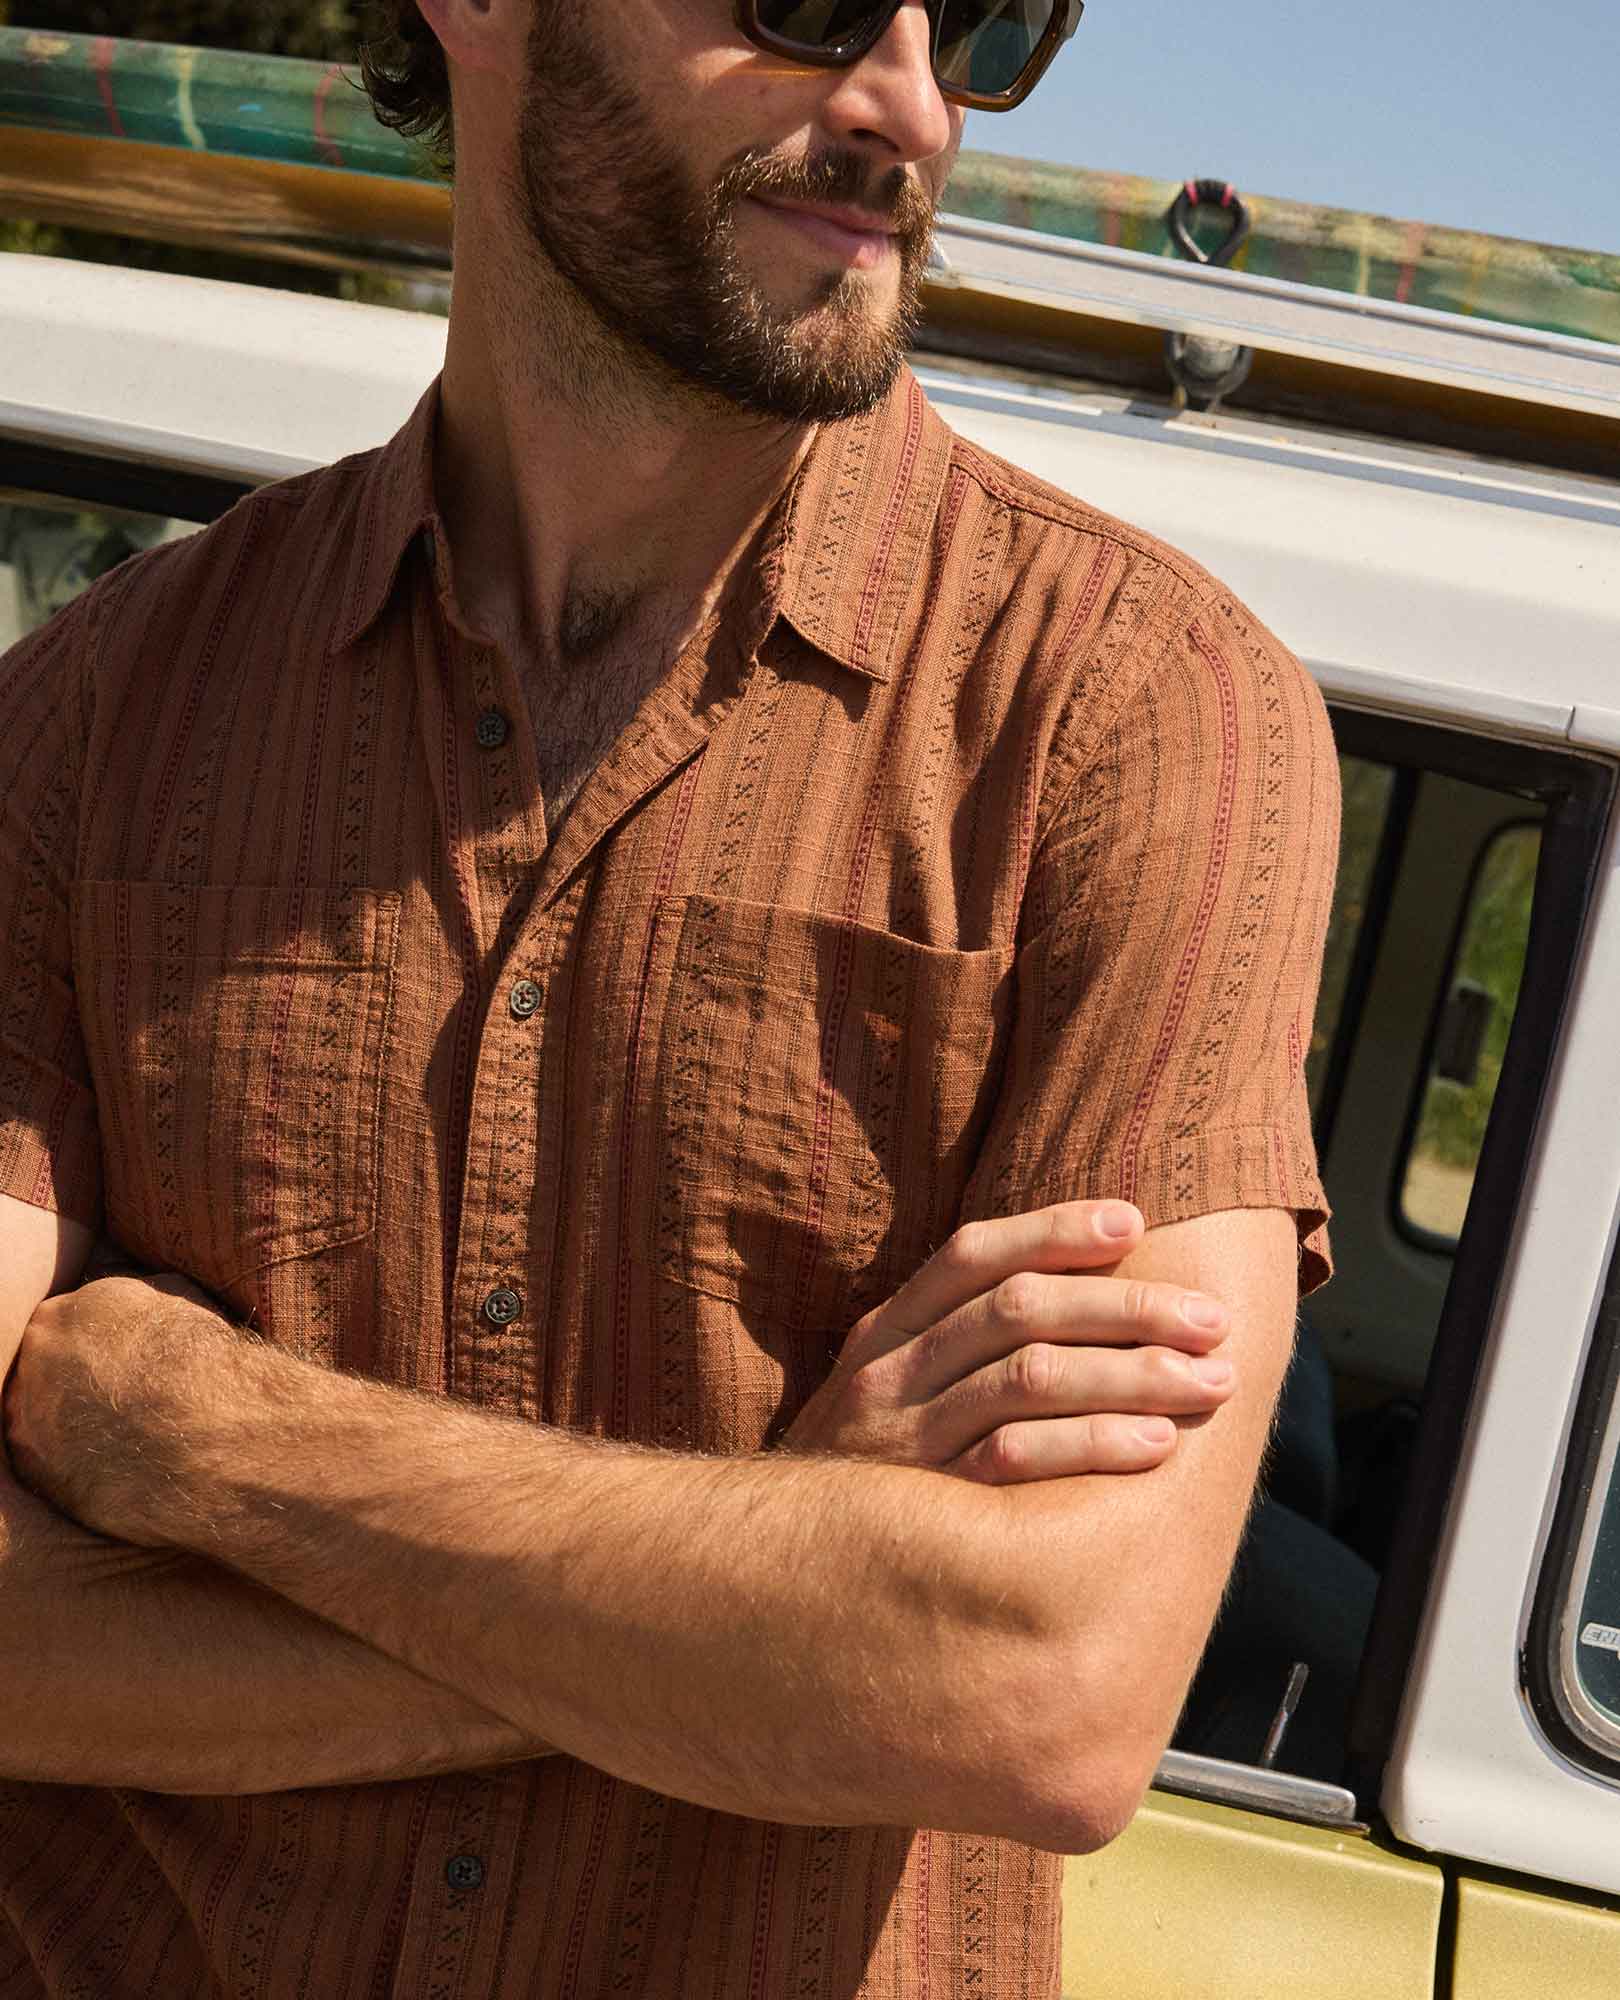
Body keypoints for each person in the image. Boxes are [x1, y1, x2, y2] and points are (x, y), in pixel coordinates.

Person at [0, 2, 1338, 1994]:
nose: (910, 107)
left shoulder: (1141, 716)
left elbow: (1036, 1693)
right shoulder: (100, 710)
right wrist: (780, 1596)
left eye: (985, 21)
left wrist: (201, 1432)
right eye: (805, 3)